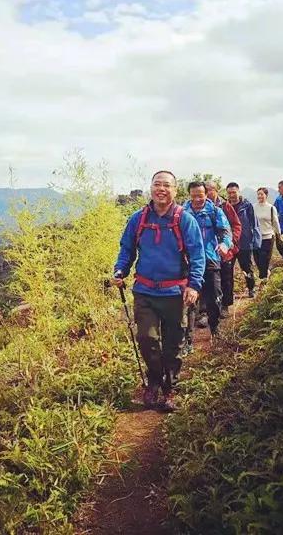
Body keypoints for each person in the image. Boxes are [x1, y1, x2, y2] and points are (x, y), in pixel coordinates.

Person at [112, 170, 205, 412]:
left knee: (173, 343)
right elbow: (127, 249)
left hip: (175, 293)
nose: (161, 189)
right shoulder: (139, 218)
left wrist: (194, 284)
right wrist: (120, 270)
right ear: (151, 188)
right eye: (157, 184)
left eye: (166, 185)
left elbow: (197, 255)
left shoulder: (184, 219)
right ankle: (154, 381)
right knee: (147, 339)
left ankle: (170, 387)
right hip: (144, 292)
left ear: (175, 190)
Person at [182, 181, 232, 347]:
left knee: (214, 298)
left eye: (200, 195)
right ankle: (188, 339)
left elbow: (225, 232)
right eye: (194, 195)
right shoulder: (182, 213)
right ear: (190, 195)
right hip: (188, 261)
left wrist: (225, 244)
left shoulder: (215, 211)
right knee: (188, 300)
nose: (197, 199)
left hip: (210, 258)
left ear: (206, 194)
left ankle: (215, 328)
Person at [206, 181, 241, 316]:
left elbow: (236, 225)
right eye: (206, 190)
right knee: (211, 280)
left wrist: (230, 242)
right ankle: (209, 309)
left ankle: (225, 305)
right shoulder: (201, 207)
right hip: (209, 250)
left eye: (210, 190)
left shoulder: (225, 206)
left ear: (216, 190)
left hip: (226, 249)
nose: (208, 193)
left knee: (226, 277)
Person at [225, 182, 261, 298]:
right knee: (228, 270)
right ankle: (229, 295)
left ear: (238, 192)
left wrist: (256, 240)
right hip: (229, 243)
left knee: (247, 267)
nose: (232, 195)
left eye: (234, 192)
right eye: (229, 193)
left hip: (245, 242)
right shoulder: (224, 206)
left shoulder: (247, 205)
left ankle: (251, 289)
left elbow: (254, 223)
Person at [253, 187, 281, 282]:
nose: (259, 196)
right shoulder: (253, 207)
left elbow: (276, 222)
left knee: (264, 259)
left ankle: (263, 280)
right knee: (257, 260)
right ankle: (266, 273)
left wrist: (279, 234)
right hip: (256, 238)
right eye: (258, 194)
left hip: (268, 237)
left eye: (261, 194)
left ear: (266, 195)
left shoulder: (271, 208)